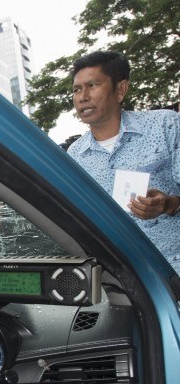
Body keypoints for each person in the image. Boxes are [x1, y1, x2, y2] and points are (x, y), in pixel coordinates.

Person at [67, 50, 180, 272]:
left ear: (120, 90)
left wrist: (168, 204)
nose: (83, 97)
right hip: (122, 282)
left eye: (92, 85)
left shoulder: (166, 125)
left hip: (173, 269)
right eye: (76, 89)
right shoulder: (75, 156)